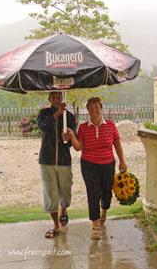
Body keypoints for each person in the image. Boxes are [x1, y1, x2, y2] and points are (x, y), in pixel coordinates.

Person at [65, 97, 127, 240]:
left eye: (96, 107)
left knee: (106, 193)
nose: (94, 110)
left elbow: (117, 144)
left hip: (108, 164)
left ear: (101, 108)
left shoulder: (111, 125)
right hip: (89, 165)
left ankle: (104, 210)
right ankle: (95, 225)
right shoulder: (83, 128)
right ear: (87, 110)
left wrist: (122, 161)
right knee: (93, 194)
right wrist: (73, 137)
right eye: (91, 107)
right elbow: (78, 148)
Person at [37, 91, 76, 238]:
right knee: (50, 193)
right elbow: (43, 127)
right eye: (53, 97)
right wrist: (57, 114)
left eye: (59, 96)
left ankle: (64, 209)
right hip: (47, 160)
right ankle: (55, 225)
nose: (56, 99)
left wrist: (70, 137)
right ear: (49, 99)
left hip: (64, 160)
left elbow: (74, 141)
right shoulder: (44, 113)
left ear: (62, 98)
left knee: (65, 192)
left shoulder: (70, 117)